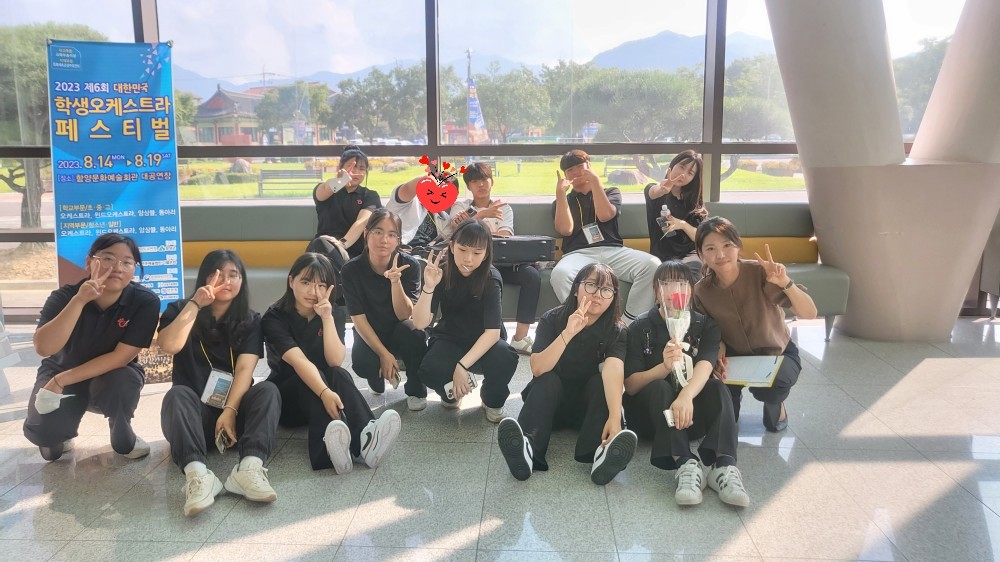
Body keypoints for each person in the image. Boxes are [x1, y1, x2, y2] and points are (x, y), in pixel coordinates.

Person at [157, 250, 282, 517]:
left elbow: (245, 370)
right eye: (217, 274)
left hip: (235, 421)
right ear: (204, 278)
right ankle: (198, 475)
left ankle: (248, 468)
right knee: (177, 395)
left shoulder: (251, 320)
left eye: (233, 275)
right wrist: (196, 303)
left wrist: (230, 411)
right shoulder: (179, 310)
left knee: (268, 390)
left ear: (242, 281)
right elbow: (169, 345)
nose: (226, 281)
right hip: (193, 421)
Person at [496, 263, 638, 485]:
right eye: (591, 285)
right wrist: (568, 333)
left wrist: (614, 417)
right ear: (575, 289)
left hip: (588, 413)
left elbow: (614, 370)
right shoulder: (552, 319)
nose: (597, 294)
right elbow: (538, 368)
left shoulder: (617, 330)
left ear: (613, 297)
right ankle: (527, 449)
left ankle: (600, 454)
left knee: (600, 382)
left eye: (606, 290)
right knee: (547, 378)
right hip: (549, 409)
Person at [23, 233, 159, 461]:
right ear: (89, 262)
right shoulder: (63, 297)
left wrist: (60, 381)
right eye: (108, 258)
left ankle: (121, 425)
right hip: (60, 368)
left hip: (109, 375)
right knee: (47, 441)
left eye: (127, 262)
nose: (117, 268)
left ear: (134, 268)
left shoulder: (144, 301)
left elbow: (120, 357)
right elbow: (44, 348)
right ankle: (61, 431)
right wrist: (80, 300)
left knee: (123, 381)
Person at [262, 253, 401, 473]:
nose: (313, 292)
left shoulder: (332, 312)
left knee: (339, 373)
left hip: (325, 395)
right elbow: (298, 362)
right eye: (306, 282)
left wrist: (326, 318)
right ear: (291, 281)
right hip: (288, 400)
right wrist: (325, 392)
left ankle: (366, 439)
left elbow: (335, 360)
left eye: (321, 285)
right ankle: (326, 453)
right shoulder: (274, 318)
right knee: (313, 375)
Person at [623, 261, 748, 507]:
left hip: (691, 419)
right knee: (659, 386)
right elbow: (632, 386)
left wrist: (686, 396)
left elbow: (706, 365)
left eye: (681, 283)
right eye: (666, 284)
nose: (674, 290)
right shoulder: (639, 327)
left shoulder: (705, 325)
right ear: (655, 291)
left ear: (691, 290)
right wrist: (663, 367)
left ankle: (724, 467)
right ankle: (685, 464)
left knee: (717, 387)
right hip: (651, 421)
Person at [693, 217, 818, 432]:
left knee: (770, 389)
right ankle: (732, 397)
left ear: (738, 245)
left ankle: (776, 403)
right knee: (724, 422)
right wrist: (718, 356)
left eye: (727, 245)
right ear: (701, 253)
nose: (720, 255)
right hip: (733, 358)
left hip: (776, 353)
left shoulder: (761, 273)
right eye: (710, 248)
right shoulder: (702, 291)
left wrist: (785, 283)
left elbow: (810, 313)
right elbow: (711, 332)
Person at [412, 221, 519, 423]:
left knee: (505, 357)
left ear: (486, 254)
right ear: (452, 247)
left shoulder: (491, 278)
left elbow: (492, 333)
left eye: (477, 253)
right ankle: (451, 393)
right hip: (450, 337)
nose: (468, 259)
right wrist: (428, 287)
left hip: (484, 341)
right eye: (462, 250)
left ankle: (491, 399)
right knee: (430, 368)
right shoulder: (441, 272)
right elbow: (419, 323)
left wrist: (461, 366)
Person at [441, 162, 541, 354]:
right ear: (468, 186)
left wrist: (474, 223)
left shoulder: (503, 208)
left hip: (502, 262)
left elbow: (504, 235)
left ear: (492, 181)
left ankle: (520, 338)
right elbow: (457, 229)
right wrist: (484, 215)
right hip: (471, 264)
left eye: (484, 179)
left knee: (531, 275)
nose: (481, 184)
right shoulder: (460, 206)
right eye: (475, 181)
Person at [551, 149, 660, 323]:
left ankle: (630, 323)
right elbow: (566, 229)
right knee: (560, 273)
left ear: (589, 165)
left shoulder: (611, 192)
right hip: (578, 254)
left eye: (580, 166)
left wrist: (595, 181)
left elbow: (604, 215)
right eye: (570, 170)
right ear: (565, 175)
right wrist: (561, 194)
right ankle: (585, 322)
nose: (576, 172)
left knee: (653, 265)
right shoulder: (563, 201)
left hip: (613, 250)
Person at [341, 209, 429, 410]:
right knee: (363, 364)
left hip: (399, 329)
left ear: (398, 240)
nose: (384, 240)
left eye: (392, 234)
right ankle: (376, 376)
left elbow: (405, 315)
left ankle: (416, 390)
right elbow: (358, 319)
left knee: (415, 334)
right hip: (370, 330)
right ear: (366, 234)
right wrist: (383, 354)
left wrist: (395, 282)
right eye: (378, 232)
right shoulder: (351, 270)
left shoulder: (410, 266)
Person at [310, 145, 383, 343]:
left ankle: (333, 331)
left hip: (350, 254)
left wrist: (341, 244)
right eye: (351, 167)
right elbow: (325, 190)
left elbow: (362, 222)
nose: (356, 172)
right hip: (322, 255)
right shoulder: (326, 190)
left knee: (329, 278)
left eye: (361, 168)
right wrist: (342, 179)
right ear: (339, 168)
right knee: (322, 244)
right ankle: (351, 290)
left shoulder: (370, 196)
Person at [644, 150, 708, 278]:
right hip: (662, 258)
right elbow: (653, 192)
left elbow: (701, 237)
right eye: (682, 167)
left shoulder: (693, 201)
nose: (683, 174)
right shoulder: (656, 192)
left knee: (689, 276)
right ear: (673, 165)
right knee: (670, 278)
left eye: (690, 173)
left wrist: (682, 224)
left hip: (690, 255)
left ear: (694, 178)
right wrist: (662, 189)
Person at [384, 172, 453, 250]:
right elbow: (408, 188)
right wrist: (429, 180)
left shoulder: (443, 217)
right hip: (397, 250)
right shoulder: (405, 202)